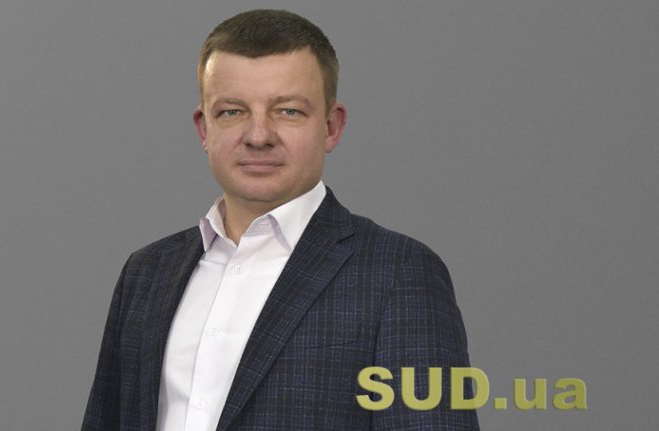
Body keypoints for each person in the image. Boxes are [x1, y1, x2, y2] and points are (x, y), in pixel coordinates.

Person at [82, 9, 478, 431]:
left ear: (331, 127)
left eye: (288, 111)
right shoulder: (146, 274)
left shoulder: (400, 273)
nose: (258, 136)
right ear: (204, 128)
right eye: (232, 112)